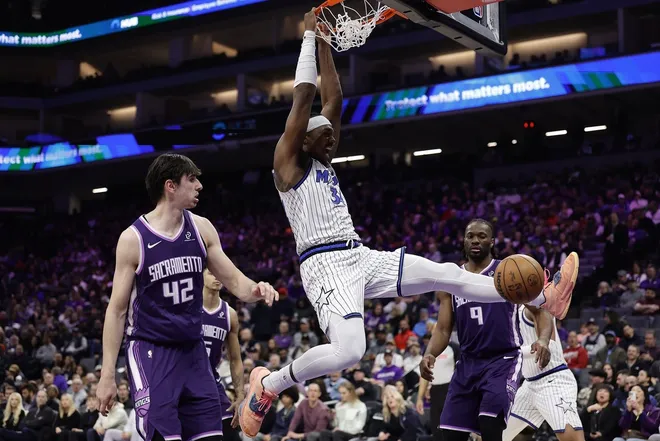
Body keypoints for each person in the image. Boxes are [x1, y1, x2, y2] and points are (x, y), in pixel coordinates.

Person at [239, 9, 579, 436]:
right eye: (323, 134)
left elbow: (333, 100)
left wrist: (326, 41)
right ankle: (268, 383)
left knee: (448, 274)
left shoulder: (321, 150)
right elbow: (304, 99)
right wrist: (308, 38)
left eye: (332, 134)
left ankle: (544, 298)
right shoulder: (288, 161)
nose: (332, 137)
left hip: (357, 255)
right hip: (323, 264)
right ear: (302, 138)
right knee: (350, 351)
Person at [96, 153, 278, 441]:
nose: (199, 186)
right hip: (152, 350)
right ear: (170, 186)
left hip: (193, 352)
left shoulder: (201, 228)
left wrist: (256, 289)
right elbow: (116, 311)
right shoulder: (133, 239)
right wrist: (107, 375)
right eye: (191, 179)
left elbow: (236, 282)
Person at [419, 219, 523, 441]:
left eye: (482, 236)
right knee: (449, 435)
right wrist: (429, 353)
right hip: (467, 364)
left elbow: (538, 309)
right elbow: (444, 328)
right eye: (470, 236)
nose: (476, 240)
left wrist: (542, 338)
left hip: (502, 359)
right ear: (464, 241)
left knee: (489, 424)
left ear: (492, 241)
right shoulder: (452, 279)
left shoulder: (508, 272)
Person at [502, 304, 583, 441]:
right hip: (529, 385)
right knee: (495, 433)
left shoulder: (532, 307)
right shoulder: (507, 315)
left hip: (553, 381)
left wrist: (506, 354)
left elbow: (547, 346)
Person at [202, 268, 245, 441]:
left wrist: (240, 394)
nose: (217, 276)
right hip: (185, 380)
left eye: (219, 272)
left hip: (212, 380)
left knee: (231, 434)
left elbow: (235, 359)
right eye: (211, 273)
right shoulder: (187, 307)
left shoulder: (230, 314)